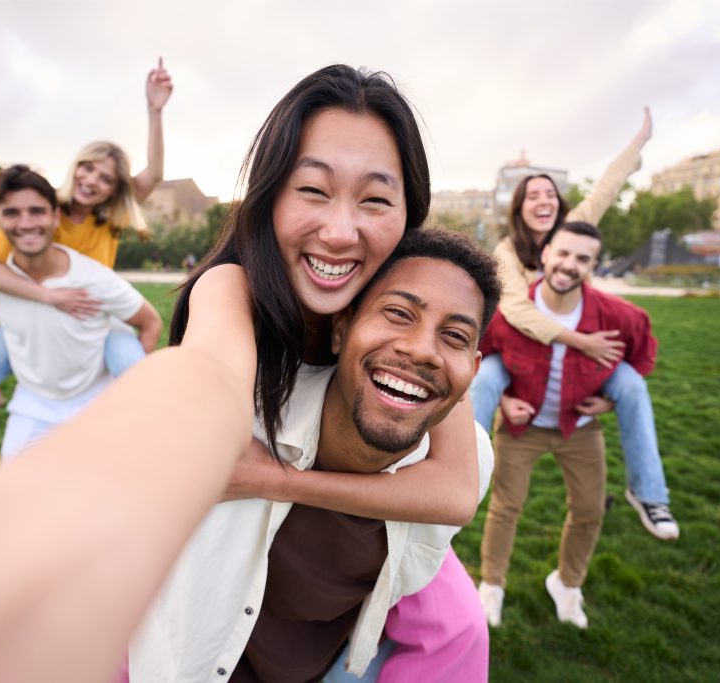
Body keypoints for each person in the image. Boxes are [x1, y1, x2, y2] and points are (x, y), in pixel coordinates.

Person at [0, 64, 478, 683]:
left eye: (375, 199)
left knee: (458, 623)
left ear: (410, 212)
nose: (340, 230)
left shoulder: (416, 321)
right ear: (269, 195)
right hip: (239, 572)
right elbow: (204, 386)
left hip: (345, 558)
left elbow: (452, 490)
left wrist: (278, 478)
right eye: (312, 189)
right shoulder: (232, 288)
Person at [131, 229, 500, 682]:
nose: (422, 349)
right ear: (341, 328)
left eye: (454, 336)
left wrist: (274, 479)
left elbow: (452, 506)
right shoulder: (250, 420)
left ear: (474, 371)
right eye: (398, 313)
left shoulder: (467, 463)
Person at [0, 58, 173, 510]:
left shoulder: (109, 221)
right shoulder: (42, 211)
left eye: (105, 178)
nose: (93, 180)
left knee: (137, 377)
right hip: (33, 320)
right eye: (87, 168)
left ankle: (151, 464)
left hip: (95, 324)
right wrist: (50, 295)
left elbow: (154, 174)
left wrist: (155, 111)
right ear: (75, 167)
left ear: (113, 190)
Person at [470, 108, 680, 542]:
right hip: (527, 352)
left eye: (550, 193)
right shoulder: (509, 251)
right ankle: (457, 472)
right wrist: (579, 341)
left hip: (580, 356)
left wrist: (638, 144)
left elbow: (607, 187)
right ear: (520, 208)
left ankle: (649, 492)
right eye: (533, 195)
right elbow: (515, 313)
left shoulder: (574, 231)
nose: (543, 200)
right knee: (484, 378)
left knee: (632, 387)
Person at [478, 221, 659, 629]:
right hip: (521, 429)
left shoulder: (615, 316)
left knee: (590, 510)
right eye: (562, 253)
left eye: (582, 258)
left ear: (593, 265)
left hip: (579, 429)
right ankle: (492, 585)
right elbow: (480, 359)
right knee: (506, 508)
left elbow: (642, 359)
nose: (568, 265)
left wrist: (611, 402)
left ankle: (568, 585)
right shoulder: (512, 313)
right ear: (544, 254)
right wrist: (505, 401)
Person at [0, 165, 162, 463]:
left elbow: (150, 321)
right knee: (18, 498)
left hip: (97, 398)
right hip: (34, 405)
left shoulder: (97, 270)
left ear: (56, 216)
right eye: (12, 213)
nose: (26, 222)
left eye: (36, 211)